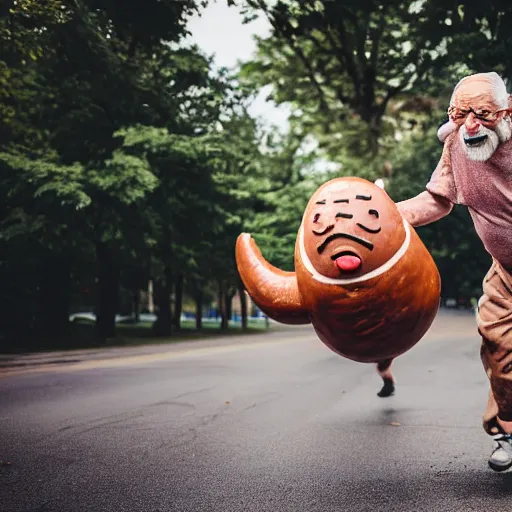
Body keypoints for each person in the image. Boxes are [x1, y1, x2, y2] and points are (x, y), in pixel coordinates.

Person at [396, 71, 512, 472]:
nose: (472, 124)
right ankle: (508, 433)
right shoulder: (458, 146)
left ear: (506, 111)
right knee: (498, 348)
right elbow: (437, 200)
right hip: (506, 273)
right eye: (461, 113)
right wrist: (385, 216)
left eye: (483, 113)